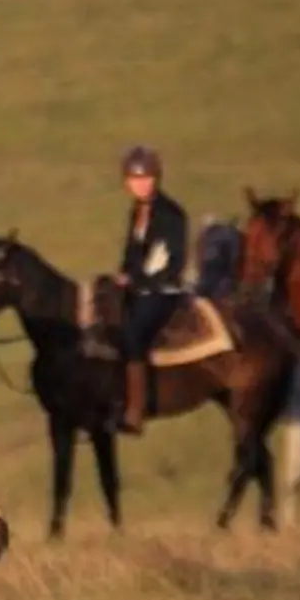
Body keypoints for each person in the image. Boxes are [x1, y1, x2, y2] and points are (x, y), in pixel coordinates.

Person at [112, 145, 187, 435]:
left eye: (146, 178)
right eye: (134, 178)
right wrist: (121, 276)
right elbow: (132, 255)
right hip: (138, 287)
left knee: (134, 333)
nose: (141, 184)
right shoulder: (136, 212)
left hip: (162, 291)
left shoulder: (171, 215)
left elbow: (168, 263)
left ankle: (136, 411)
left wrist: (136, 281)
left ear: (156, 178)